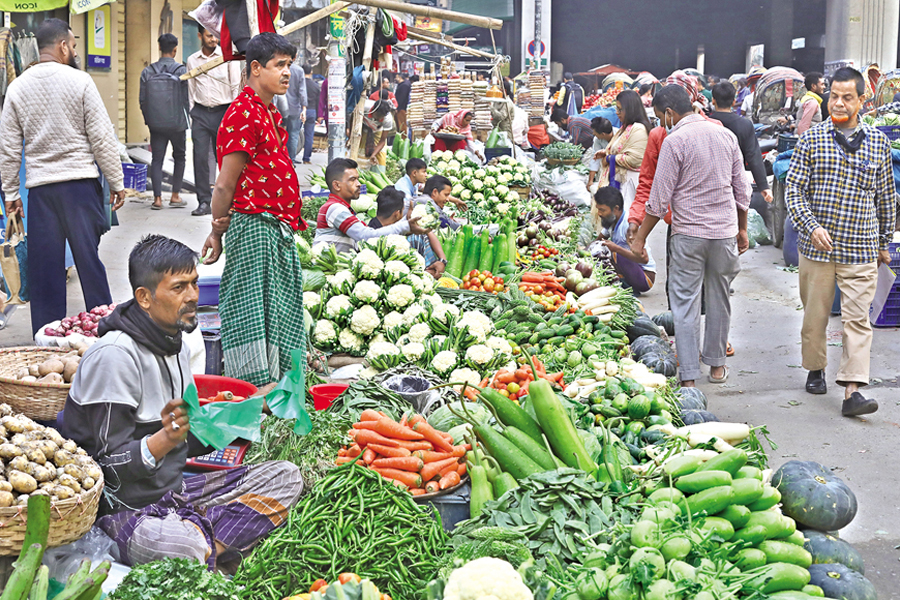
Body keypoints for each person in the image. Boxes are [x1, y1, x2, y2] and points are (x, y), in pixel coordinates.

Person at [64, 234, 302, 570]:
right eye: (179, 287)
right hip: (121, 513)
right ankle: (207, 547)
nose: (193, 296)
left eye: (193, 283)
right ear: (144, 298)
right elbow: (104, 467)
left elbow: (190, 438)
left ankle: (209, 549)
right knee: (183, 547)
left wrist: (254, 407)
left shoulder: (175, 342)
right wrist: (163, 441)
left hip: (174, 495)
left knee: (287, 476)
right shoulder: (115, 356)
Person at [0, 18, 125, 337]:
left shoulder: (17, 88)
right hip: (79, 188)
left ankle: (46, 335)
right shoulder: (80, 81)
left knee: (46, 270)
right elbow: (101, 138)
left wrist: (11, 193)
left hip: (41, 192)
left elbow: (9, 147)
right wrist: (117, 181)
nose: (73, 49)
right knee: (89, 263)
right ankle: (106, 331)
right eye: (72, 44)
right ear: (62, 46)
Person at [785, 67, 894, 417]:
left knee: (857, 320)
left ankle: (852, 390)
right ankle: (815, 368)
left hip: (861, 247)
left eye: (848, 97)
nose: (840, 103)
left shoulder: (878, 142)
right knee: (815, 316)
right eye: (834, 96)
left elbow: (886, 197)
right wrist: (811, 225)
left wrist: (883, 242)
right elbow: (794, 189)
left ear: (863, 100)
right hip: (817, 249)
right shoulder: (812, 140)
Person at [200, 33, 306, 387]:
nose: (287, 73)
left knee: (275, 309)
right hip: (254, 228)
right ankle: (253, 389)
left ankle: (278, 383)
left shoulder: (267, 110)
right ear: (256, 68)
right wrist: (216, 231)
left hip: (273, 227)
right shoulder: (243, 113)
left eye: (289, 65)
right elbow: (224, 184)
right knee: (249, 310)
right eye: (280, 65)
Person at [630, 85, 750, 387]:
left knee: (685, 303)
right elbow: (742, 191)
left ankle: (689, 379)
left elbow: (658, 200)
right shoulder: (726, 136)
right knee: (720, 298)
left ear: (670, 113)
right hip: (724, 234)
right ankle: (718, 367)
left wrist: (641, 238)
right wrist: (742, 228)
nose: (660, 124)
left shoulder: (674, 141)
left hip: (689, 235)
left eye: (659, 118)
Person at [314, 158, 427, 254]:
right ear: (337, 185)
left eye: (357, 179)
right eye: (352, 180)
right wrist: (405, 226)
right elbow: (366, 236)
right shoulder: (334, 208)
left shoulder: (344, 209)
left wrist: (408, 230)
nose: (359, 184)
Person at [186, 25, 243, 216]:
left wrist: (233, 115)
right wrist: (194, 111)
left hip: (223, 112)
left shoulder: (227, 57)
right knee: (200, 158)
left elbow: (236, 86)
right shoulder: (192, 60)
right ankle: (204, 201)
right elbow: (191, 89)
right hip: (201, 113)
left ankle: (229, 200)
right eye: (209, 36)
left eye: (215, 36)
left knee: (225, 158)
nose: (213, 40)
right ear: (200, 36)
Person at [140, 33, 189, 210]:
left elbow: (142, 101)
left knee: (157, 159)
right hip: (177, 123)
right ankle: (175, 196)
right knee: (180, 157)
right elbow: (186, 98)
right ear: (175, 50)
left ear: (159, 48)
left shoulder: (148, 71)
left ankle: (157, 199)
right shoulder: (181, 71)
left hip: (156, 124)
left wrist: (150, 120)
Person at [709, 82, 773, 203]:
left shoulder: (705, 122)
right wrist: (763, 186)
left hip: (707, 183)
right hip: (734, 184)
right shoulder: (744, 124)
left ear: (713, 100)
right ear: (733, 102)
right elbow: (753, 156)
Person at [596, 90, 651, 212]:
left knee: (626, 224)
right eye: (617, 109)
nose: (617, 113)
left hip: (630, 184)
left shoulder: (638, 129)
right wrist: (606, 153)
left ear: (630, 109)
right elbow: (620, 151)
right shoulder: (625, 128)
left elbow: (635, 159)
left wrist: (610, 158)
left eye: (620, 110)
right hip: (621, 182)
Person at [593, 186, 655, 293]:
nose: (599, 214)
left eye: (602, 210)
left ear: (615, 209)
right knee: (599, 250)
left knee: (614, 253)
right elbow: (598, 240)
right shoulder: (611, 221)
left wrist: (615, 248)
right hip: (631, 269)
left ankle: (626, 287)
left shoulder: (628, 227)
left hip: (645, 277)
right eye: (598, 209)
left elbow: (643, 259)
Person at [284, 54, 307, 164]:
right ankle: (291, 160)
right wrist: (304, 109)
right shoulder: (299, 70)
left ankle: (281, 159)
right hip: (294, 108)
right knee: (293, 135)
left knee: (280, 134)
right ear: (295, 56)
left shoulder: (278, 69)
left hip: (280, 108)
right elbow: (302, 91)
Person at [361, 94, 394, 168]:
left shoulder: (388, 119)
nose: (379, 119)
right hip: (363, 127)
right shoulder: (364, 106)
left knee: (380, 159)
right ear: (373, 110)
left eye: (381, 118)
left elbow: (382, 141)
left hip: (377, 130)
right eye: (377, 116)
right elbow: (353, 115)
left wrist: (373, 155)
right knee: (360, 154)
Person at [587, 117, 615, 190]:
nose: (593, 133)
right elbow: (594, 158)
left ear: (603, 134)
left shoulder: (621, 136)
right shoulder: (597, 139)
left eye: (594, 132)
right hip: (606, 165)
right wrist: (590, 181)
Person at [395, 72, 411, 138]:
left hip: (402, 108)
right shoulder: (403, 84)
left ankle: (403, 140)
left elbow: (401, 98)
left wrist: (397, 107)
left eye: (396, 77)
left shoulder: (404, 86)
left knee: (402, 125)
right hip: (401, 108)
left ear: (400, 77)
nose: (395, 78)